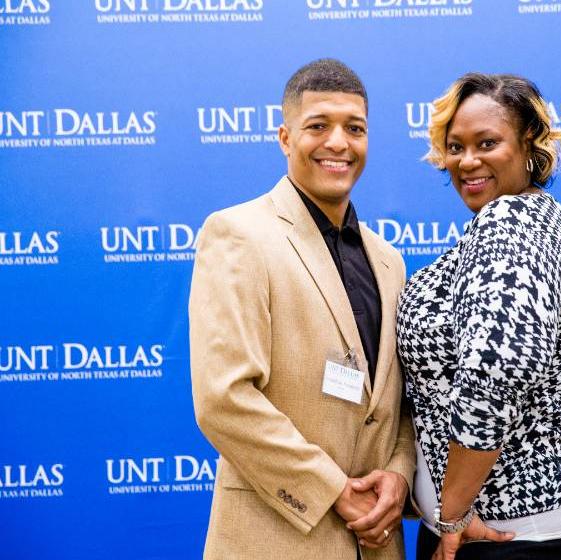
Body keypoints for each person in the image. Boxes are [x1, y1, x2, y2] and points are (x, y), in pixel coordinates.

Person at [189, 58, 415, 560]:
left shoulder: (389, 260)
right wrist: (332, 490)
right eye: (319, 126)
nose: (339, 142)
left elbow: (397, 404)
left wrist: (399, 477)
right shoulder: (238, 234)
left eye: (354, 129)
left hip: (378, 543)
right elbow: (223, 399)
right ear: (286, 138)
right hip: (276, 541)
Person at [396, 73, 561, 560]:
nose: (467, 161)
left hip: (516, 531)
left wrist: (452, 516)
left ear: (529, 145)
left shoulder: (510, 224)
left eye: (487, 142)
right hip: (531, 521)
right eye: (455, 146)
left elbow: (497, 372)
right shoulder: (530, 217)